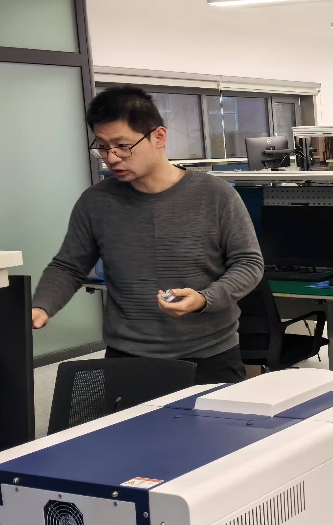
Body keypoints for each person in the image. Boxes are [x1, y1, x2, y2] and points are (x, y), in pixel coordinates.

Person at [32, 86, 263, 384]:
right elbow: (68, 266)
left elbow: (248, 263)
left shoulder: (215, 195)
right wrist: (42, 305)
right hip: (128, 357)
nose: (111, 157)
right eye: (102, 147)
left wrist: (205, 299)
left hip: (210, 356)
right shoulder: (96, 202)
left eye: (122, 145)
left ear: (159, 137)